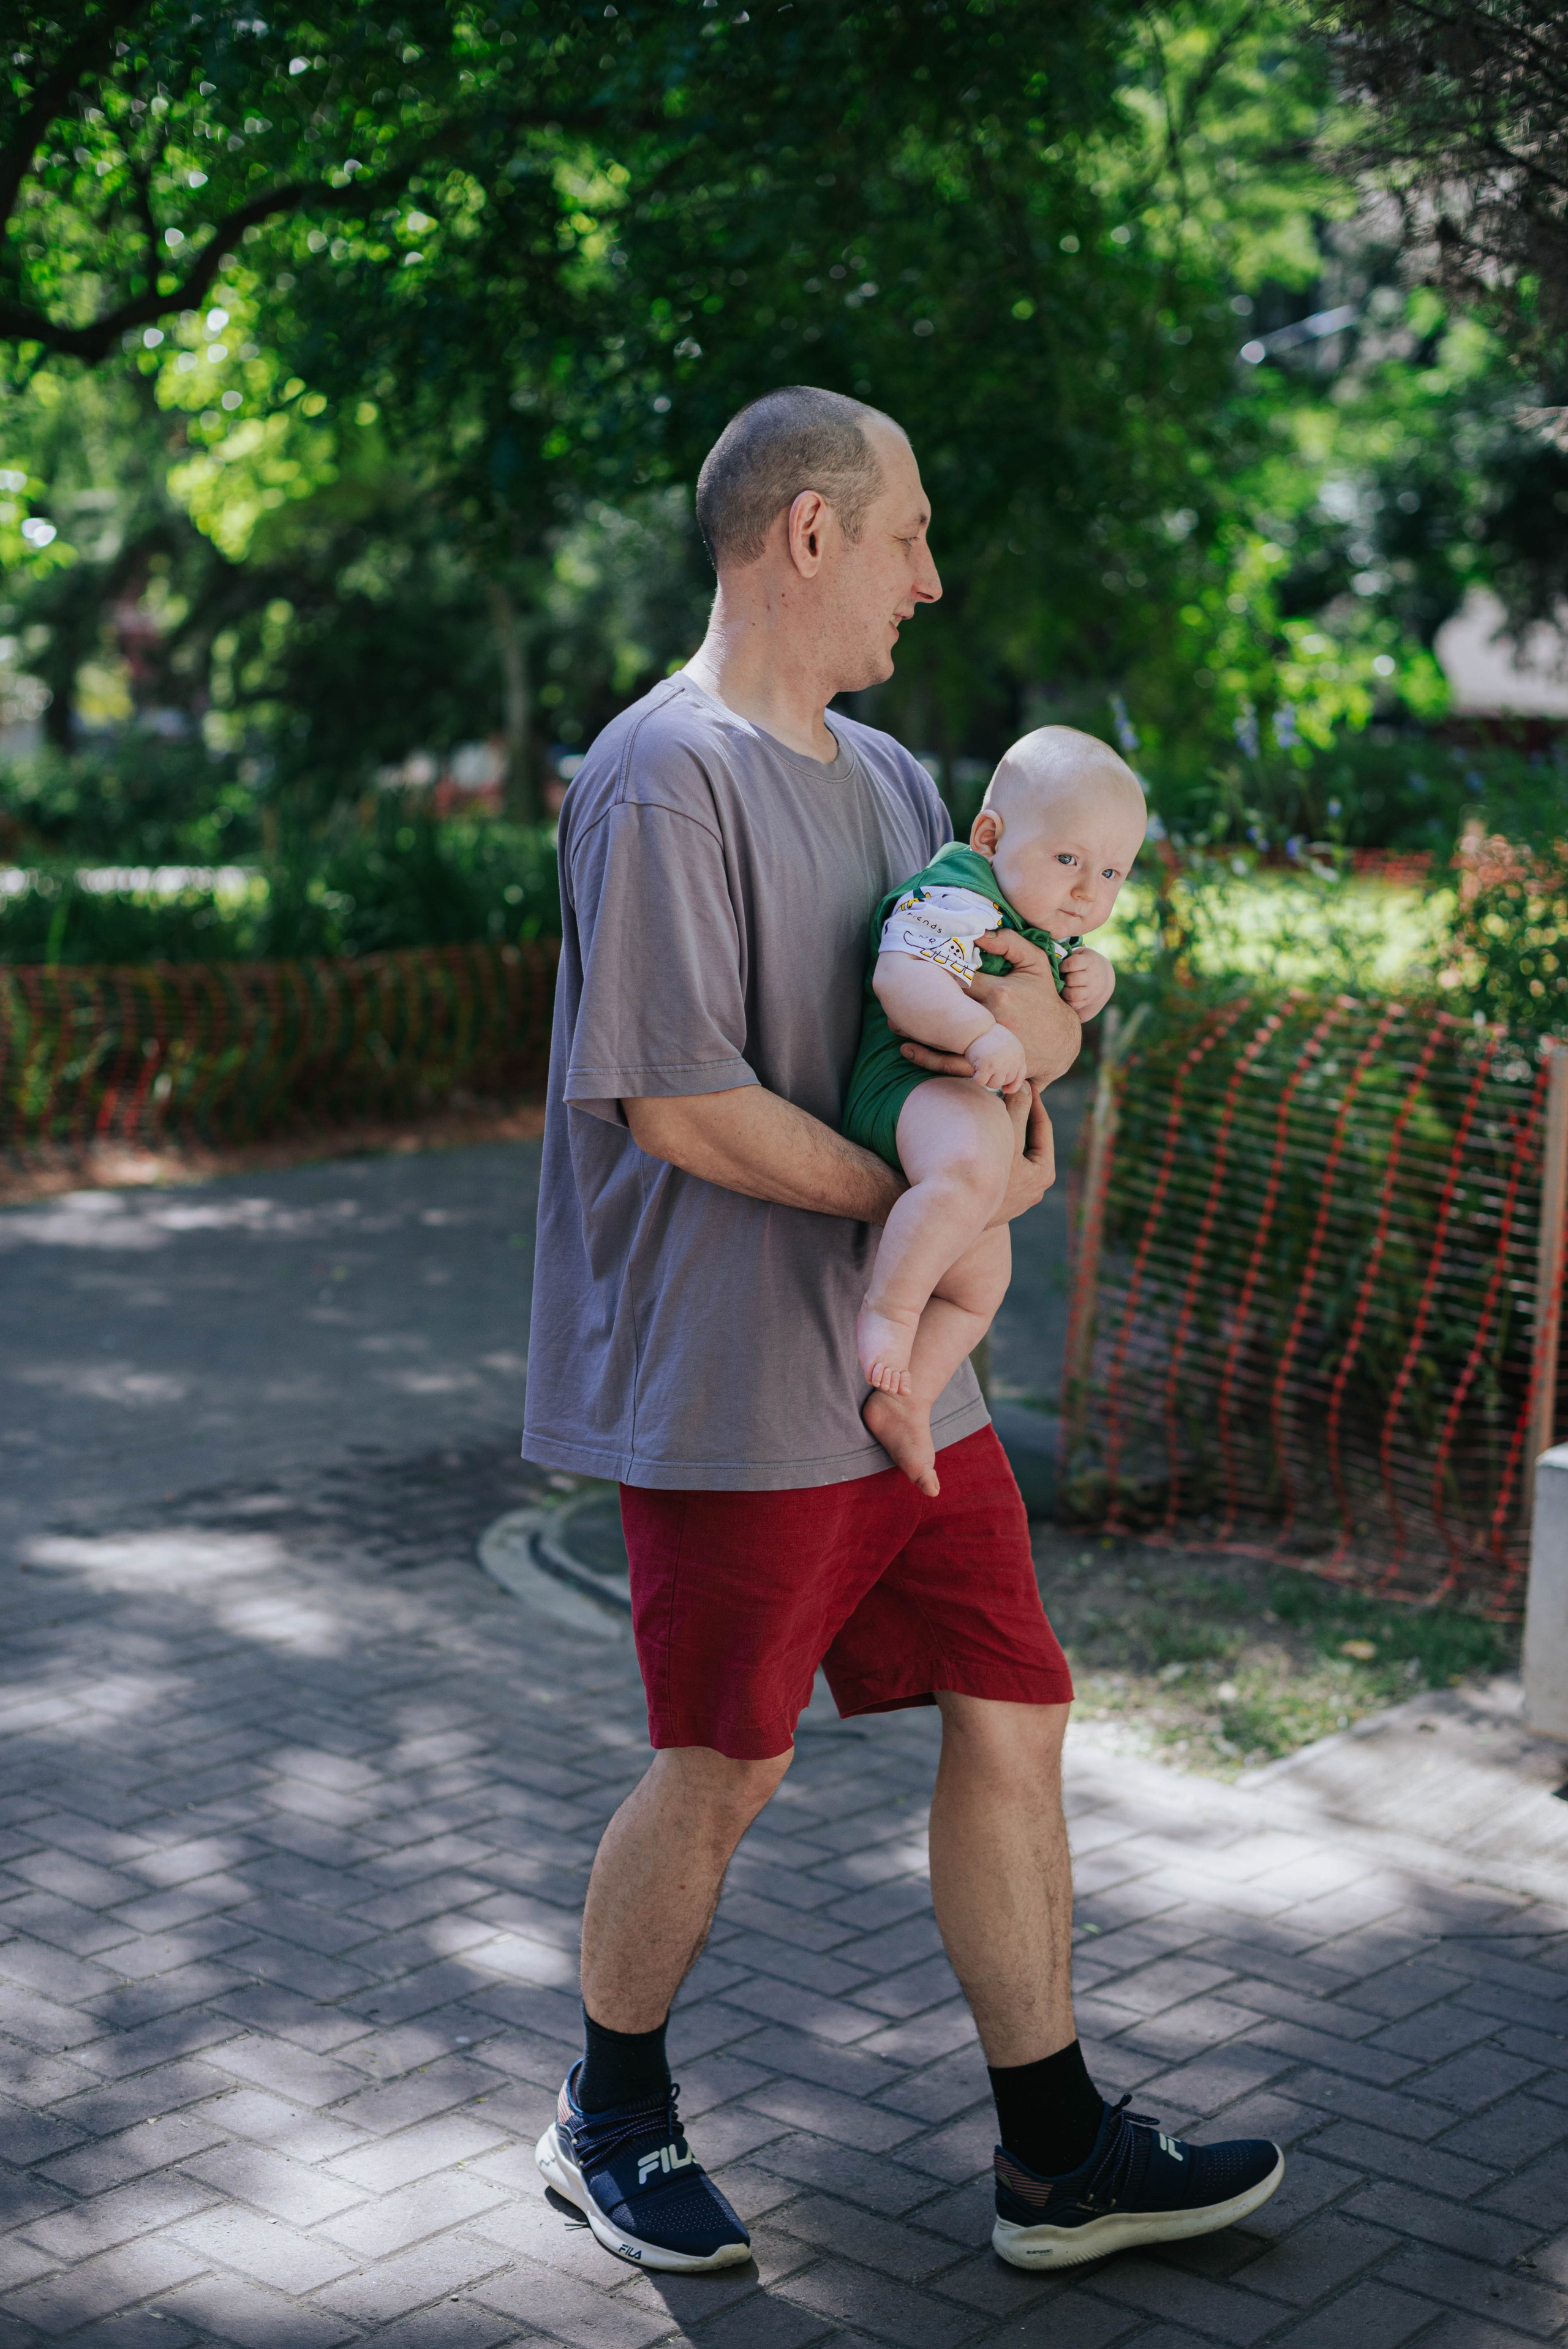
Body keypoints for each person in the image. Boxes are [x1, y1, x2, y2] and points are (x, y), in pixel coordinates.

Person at [524, 386, 1284, 2277]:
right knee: (727, 1761)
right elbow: (681, 1105)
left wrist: (1014, 1134)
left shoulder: (884, 784)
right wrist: (927, 1209)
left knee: (1016, 1706)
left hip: (905, 1387)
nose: (929, 579)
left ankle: (1053, 2154)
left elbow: (973, 1011)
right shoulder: (659, 771)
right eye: (907, 536)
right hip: (729, 1382)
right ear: (807, 536)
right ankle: (605, 2112)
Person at [845, 730, 1146, 1494]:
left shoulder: (1038, 920)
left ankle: (904, 1400)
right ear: (990, 836)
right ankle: (888, 1309)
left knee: (981, 1285)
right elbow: (900, 978)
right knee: (971, 1169)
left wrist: (1093, 981)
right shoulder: (957, 896)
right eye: (1070, 860)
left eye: (1111, 872)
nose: (1087, 892)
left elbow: (1056, 1013)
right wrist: (980, 1031)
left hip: (967, 1105)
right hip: (906, 1086)